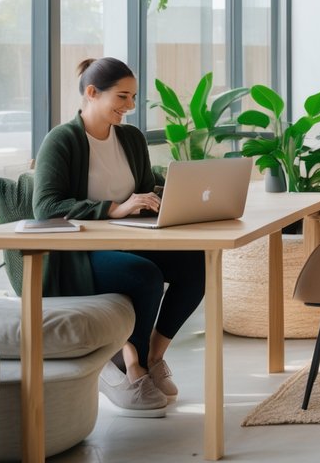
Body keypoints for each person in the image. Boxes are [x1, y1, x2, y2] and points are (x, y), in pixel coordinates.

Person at [33, 57, 205, 418]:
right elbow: (46, 205)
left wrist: (167, 200)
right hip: (79, 251)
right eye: (122, 97)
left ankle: (153, 355)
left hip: (130, 239)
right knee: (143, 275)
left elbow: (141, 192)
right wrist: (113, 208)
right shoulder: (62, 140)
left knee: (195, 263)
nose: (129, 107)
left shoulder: (130, 137)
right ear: (92, 93)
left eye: (133, 98)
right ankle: (129, 366)